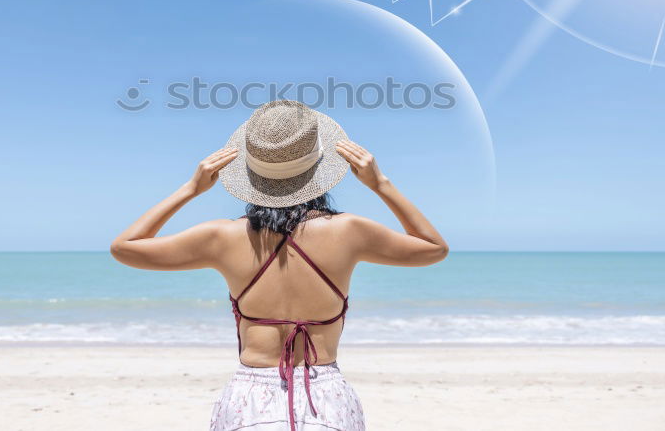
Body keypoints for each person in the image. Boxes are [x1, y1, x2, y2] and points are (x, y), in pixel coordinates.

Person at [111, 100, 449, 430]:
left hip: (250, 400)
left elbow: (126, 248)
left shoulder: (222, 237)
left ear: (251, 173)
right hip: (325, 398)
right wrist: (381, 184)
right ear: (320, 170)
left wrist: (190, 189)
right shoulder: (349, 231)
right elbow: (433, 248)